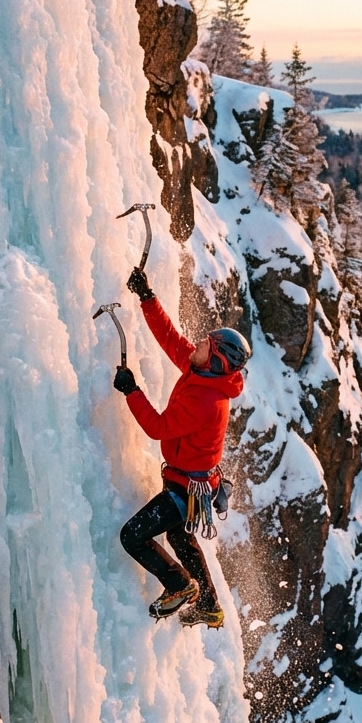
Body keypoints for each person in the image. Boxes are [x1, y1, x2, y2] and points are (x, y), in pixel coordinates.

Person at [114, 266, 250, 629]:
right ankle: (209, 605)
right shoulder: (202, 371)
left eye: (206, 344)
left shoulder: (206, 402)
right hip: (195, 484)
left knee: (132, 536)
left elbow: (158, 427)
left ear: (216, 358)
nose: (198, 344)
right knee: (179, 535)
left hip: (185, 489)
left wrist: (131, 391)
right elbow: (172, 341)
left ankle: (178, 585)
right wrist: (148, 297)